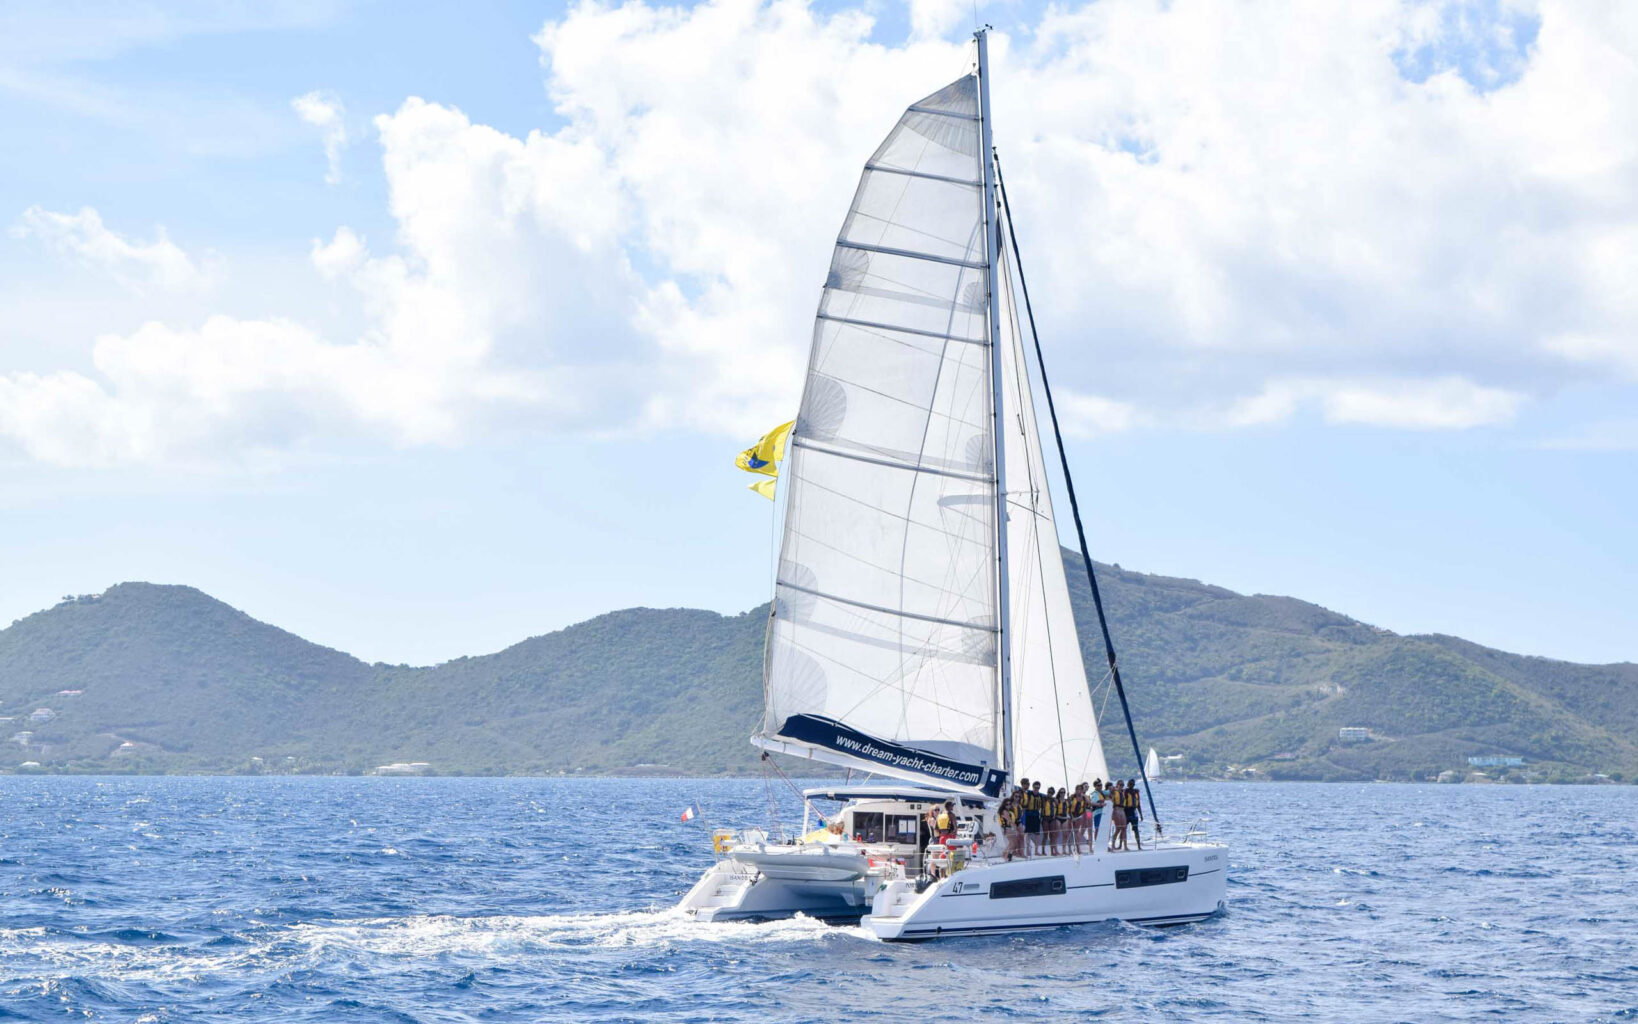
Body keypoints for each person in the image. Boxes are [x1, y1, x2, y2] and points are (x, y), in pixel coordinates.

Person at [1023, 780, 1043, 858]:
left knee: (1037, 833)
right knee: (1028, 833)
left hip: (1036, 815)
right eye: (1035, 787)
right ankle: (1027, 850)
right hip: (1029, 815)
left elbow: (1042, 806)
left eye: (1038, 787)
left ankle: (1036, 850)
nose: (1036, 789)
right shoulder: (1028, 794)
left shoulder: (1040, 796)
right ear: (1033, 787)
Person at [1109, 780, 1128, 852]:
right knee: (1118, 828)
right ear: (1117, 785)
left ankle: (1125, 846)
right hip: (1116, 809)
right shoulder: (1115, 792)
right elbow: (1112, 801)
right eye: (1120, 785)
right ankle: (1113, 844)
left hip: (1122, 810)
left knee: (1124, 828)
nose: (1121, 786)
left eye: (1122, 785)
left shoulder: (1122, 792)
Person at [1126, 779, 1143, 851]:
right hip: (1126, 811)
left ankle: (1139, 845)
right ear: (1128, 784)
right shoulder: (1125, 792)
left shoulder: (1136, 793)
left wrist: (1141, 815)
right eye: (1130, 784)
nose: (1131, 785)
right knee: (1123, 829)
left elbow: (1138, 805)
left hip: (1133, 812)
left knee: (1136, 829)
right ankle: (1123, 845)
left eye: (1133, 784)